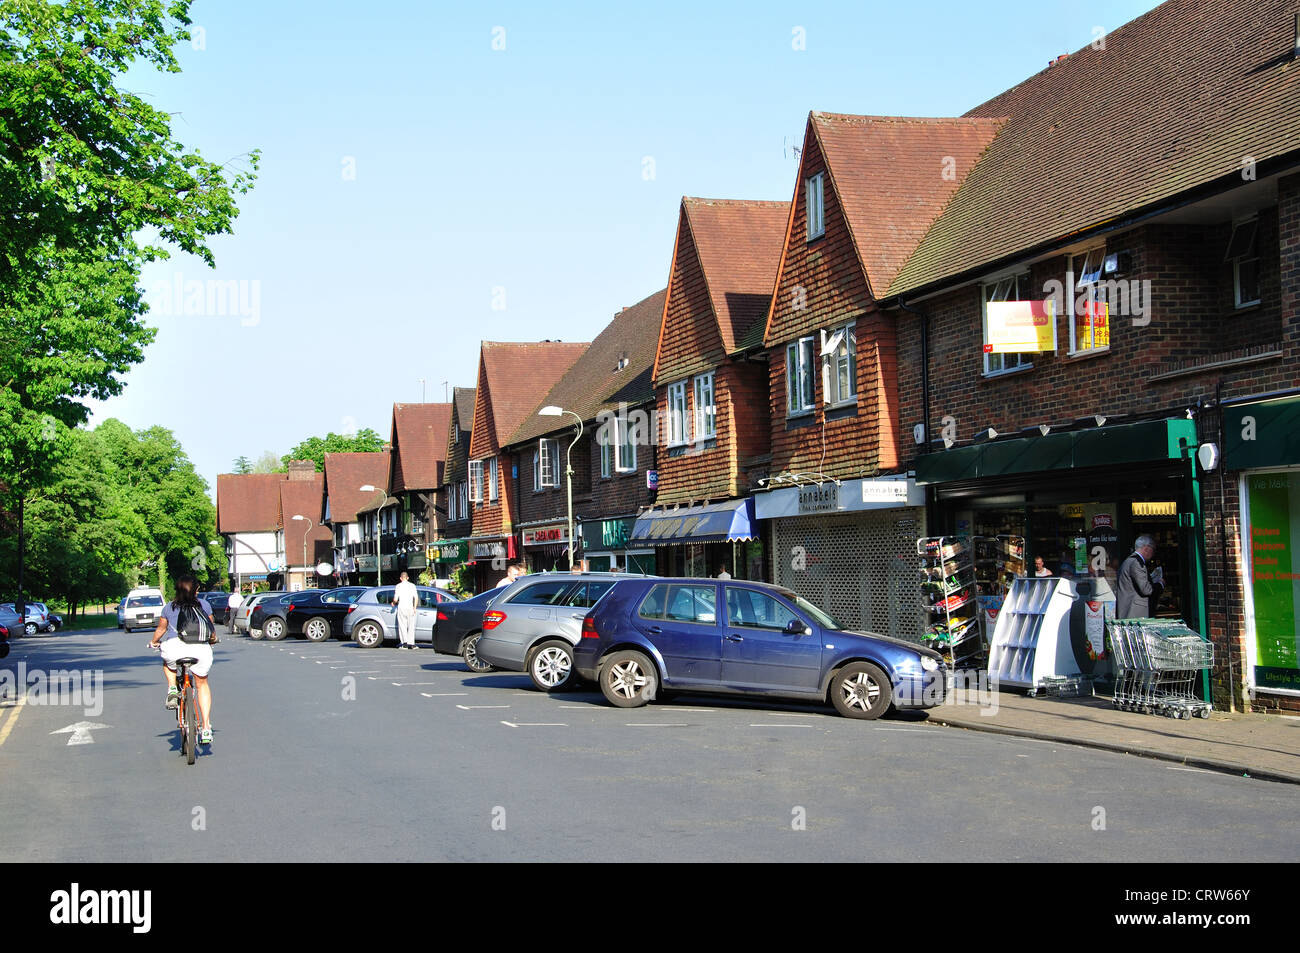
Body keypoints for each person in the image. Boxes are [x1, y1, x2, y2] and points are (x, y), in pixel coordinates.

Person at [149, 574, 218, 745]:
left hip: (175, 647)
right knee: (202, 684)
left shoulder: (169, 607)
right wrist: (212, 640)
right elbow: (210, 630)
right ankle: (206, 728)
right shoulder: (205, 605)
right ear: (196, 590)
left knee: (168, 662)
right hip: (200, 650)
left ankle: (172, 688)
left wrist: (154, 642)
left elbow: (161, 630)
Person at [1116, 534, 1163, 618]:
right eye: (1153, 550)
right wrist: (1160, 584)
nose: (1153, 553)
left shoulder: (1129, 561)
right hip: (1135, 613)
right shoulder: (1136, 563)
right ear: (1147, 548)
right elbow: (1146, 590)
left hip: (1130, 610)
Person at [392, 571, 418, 650]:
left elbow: (396, 599)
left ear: (400, 578)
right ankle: (412, 643)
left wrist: (393, 603)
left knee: (402, 625)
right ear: (408, 578)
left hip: (402, 607)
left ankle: (404, 643)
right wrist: (414, 608)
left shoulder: (398, 586)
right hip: (410, 607)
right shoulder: (412, 586)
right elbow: (416, 597)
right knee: (411, 625)